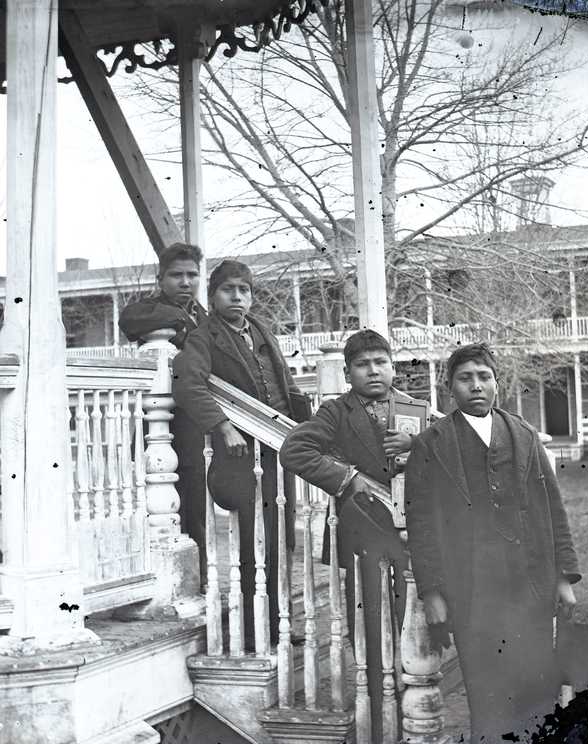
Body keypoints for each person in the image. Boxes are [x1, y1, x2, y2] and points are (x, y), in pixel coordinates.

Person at [404, 343, 581, 744]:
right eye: (465, 379)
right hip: (472, 593)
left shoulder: (523, 435)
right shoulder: (432, 444)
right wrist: (432, 591)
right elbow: (421, 524)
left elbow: (552, 508)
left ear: (497, 384)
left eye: (484, 377)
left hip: (529, 586)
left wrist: (563, 578)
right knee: (488, 697)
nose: (476, 386)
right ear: (450, 389)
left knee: (537, 692)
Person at [279, 329, 420, 743]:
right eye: (363, 364)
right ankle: (378, 725)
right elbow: (294, 451)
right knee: (371, 630)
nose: (373, 371)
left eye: (381, 362)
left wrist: (418, 443)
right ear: (347, 372)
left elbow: (446, 453)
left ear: (393, 366)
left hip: (411, 535)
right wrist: (347, 477)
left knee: (412, 624)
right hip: (363, 536)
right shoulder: (335, 413)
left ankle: (413, 716)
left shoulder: (415, 409)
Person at [172, 259, 305, 650]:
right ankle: (251, 630)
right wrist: (223, 426)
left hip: (278, 450)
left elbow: (288, 387)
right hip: (239, 456)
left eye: (243, 290)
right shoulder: (203, 337)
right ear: (212, 297)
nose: (237, 296)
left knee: (283, 541)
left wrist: (312, 430)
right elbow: (187, 384)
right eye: (228, 289)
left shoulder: (261, 332)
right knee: (253, 542)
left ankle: (279, 621)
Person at [118, 242, 209, 589]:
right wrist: (179, 318)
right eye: (177, 275)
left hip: (193, 418)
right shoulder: (152, 309)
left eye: (191, 275)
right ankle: (153, 573)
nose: (185, 282)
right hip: (159, 417)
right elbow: (129, 320)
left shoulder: (205, 315)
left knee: (194, 498)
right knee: (154, 494)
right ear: (162, 278)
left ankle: (195, 576)